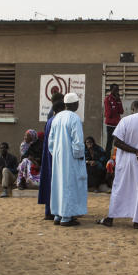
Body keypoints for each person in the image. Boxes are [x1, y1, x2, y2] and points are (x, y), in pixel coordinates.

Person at [97, 100, 138, 228]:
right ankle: (137, 221)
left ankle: (110, 219)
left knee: (120, 188)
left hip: (127, 161)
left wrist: (135, 150)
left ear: (132, 109)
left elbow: (116, 142)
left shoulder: (126, 120)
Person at [48, 92, 86, 227]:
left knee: (59, 185)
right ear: (75, 104)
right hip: (71, 159)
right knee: (69, 186)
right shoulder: (74, 118)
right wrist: (79, 155)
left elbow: (51, 142)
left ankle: (58, 215)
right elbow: (78, 140)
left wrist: (57, 154)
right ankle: (66, 217)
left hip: (58, 158)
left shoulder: (56, 118)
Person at [103, 84, 123, 153]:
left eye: (118, 90)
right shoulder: (107, 99)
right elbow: (108, 114)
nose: (117, 91)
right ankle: (106, 159)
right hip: (110, 125)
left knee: (119, 142)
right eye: (115, 90)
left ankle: (117, 158)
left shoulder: (118, 99)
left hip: (118, 124)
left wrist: (118, 102)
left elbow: (121, 111)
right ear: (111, 90)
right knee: (109, 142)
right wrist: (114, 108)